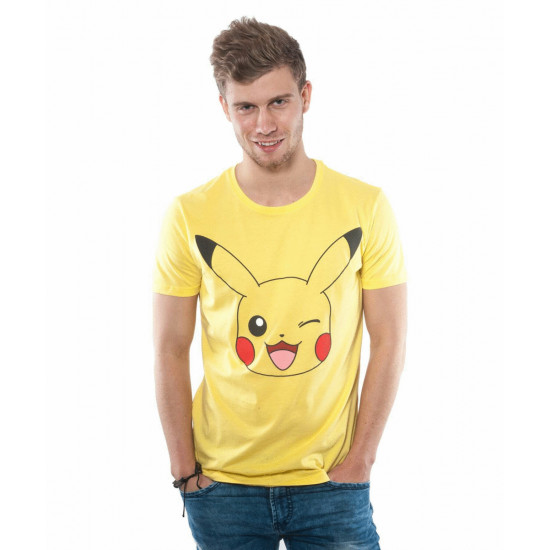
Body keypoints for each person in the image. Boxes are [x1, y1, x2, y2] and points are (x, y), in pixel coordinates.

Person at [153, 16, 407, 550]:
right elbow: (170, 348)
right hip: (222, 488)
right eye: (246, 106)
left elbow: (389, 339)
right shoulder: (189, 214)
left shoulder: (364, 206)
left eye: (279, 102)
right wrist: (184, 472)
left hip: (332, 483)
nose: (264, 123)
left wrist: (361, 460)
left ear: (305, 96)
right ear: (224, 108)